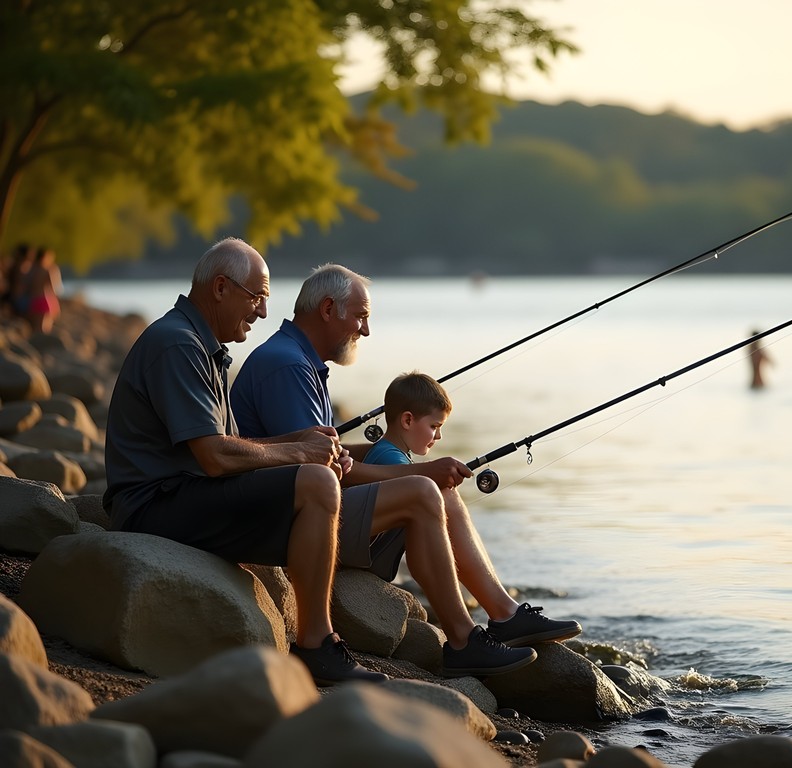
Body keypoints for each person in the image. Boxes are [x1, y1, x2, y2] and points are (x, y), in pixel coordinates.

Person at [231, 264, 582, 678]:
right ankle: (463, 640)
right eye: (360, 316)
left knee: (437, 490)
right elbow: (320, 471)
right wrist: (422, 473)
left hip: (302, 507)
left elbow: (320, 453)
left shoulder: (297, 360)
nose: (365, 331)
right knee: (423, 490)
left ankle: (504, 615)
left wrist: (391, 452)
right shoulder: (287, 366)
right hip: (295, 524)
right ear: (328, 309)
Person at [102, 237, 386, 685]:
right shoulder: (177, 344)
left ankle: (316, 633)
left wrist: (302, 438)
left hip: (184, 494)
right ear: (220, 289)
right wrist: (298, 452)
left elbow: (233, 442)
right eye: (257, 298)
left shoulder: (199, 342)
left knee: (313, 475)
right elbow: (215, 457)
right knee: (317, 484)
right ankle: (316, 644)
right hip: (153, 507)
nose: (263, 312)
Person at [25, 246, 63, 333]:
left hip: (32, 300)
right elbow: (55, 288)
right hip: (44, 300)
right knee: (44, 330)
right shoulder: (48, 271)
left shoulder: (30, 269)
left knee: (33, 330)